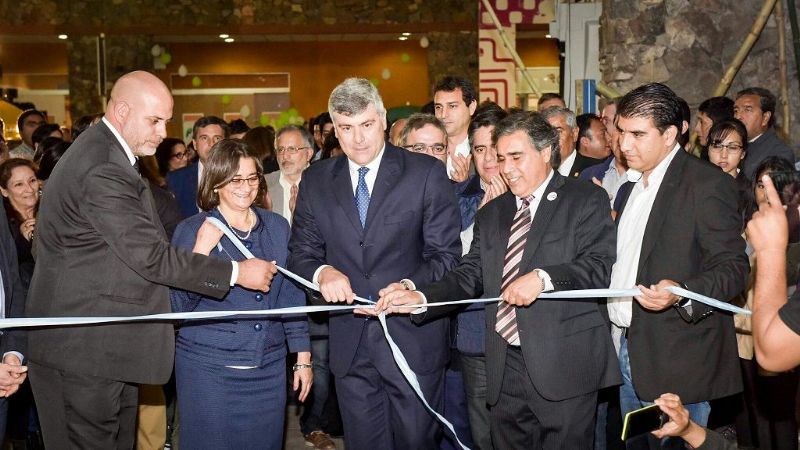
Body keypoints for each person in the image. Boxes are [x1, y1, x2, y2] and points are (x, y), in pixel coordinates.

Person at [24, 70, 277, 449]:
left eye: (165, 122)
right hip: (82, 352)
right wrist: (236, 272)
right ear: (123, 110)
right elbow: (151, 257)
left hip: (107, 345)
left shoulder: (109, 155)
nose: (162, 133)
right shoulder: (102, 164)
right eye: (154, 120)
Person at [375, 110, 621, 449]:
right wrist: (419, 295)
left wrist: (542, 278)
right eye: (501, 158)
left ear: (546, 152)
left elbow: (598, 265)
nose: (506, 168)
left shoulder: (583, 199)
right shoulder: (493, 213)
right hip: (505, 366)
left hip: (564, 364)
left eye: (516, 157)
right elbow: (469, 274)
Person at [288, 77, 462, 449]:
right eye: (346, 128)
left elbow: (446, 256)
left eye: (366, 125)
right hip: (351, 346)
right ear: (334, 130)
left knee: (417, 443)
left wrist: (411, 286)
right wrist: (323, 272)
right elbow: (301, 253)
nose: (358, 138)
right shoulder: (316, 180)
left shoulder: (424, 173)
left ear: (383, 119)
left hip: (412, 340)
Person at [609, 82, 748, 428]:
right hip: (625, 348)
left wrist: (682, 293)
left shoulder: (706, 183)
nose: (624, 145)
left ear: (670, 134)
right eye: (621, 132)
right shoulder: (630, 187)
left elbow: (734, 267)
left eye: (637, 135)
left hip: (677, 359)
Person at [171, 139, 311, 449]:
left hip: (269, 368)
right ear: (216, 182)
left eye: (252, 178)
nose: (246, 187)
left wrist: (302, 356)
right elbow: (177, 306)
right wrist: (200, 254)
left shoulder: (276, 227)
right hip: (208, 371)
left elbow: (289, 296)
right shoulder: (192, 230)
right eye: (235, 179)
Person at [451, 101, 508, 450]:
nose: (488, 159)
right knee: (482, 428)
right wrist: (482, 221)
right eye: (479, 148)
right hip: (475, 330)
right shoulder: (457, 197)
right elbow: (453, 263)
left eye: (495, 147)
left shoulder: (530, 194)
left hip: (528, 331)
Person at [167, 116, 230, 218]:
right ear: (195, 144)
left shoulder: (239, 177)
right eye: (204, 138)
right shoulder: (175, 179)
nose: (211, 144)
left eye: (217, 138)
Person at [734, 87, 794, 178]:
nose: (738, 116)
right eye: (736, 111)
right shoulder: (731, 146)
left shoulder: (779, 154)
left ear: (765, 118)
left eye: (747, 109)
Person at [0, 159, 38, 290]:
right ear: (4, 191)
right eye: (19, 184)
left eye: (32, 181)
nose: (29, 189)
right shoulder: (4, 225)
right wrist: (23, 241)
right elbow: (6, 267)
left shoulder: (53, 210)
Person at [434, 76, 477, 182]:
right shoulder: (427, 149)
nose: (443, 115)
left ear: (471, 107)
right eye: (438, 107)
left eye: (452, 106)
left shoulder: (485, 149)